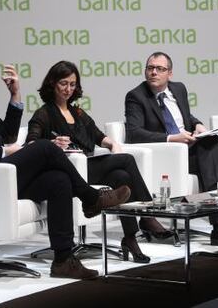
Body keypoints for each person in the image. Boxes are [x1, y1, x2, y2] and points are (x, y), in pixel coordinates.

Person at [0, 46, 132, 280]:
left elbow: (6, 135)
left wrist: (15, 96)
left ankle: (64, 260)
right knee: (44, 146)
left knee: (59, 180)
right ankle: (92, 198)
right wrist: (4, 150)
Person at [26, 61, 174, 264]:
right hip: (71, 172)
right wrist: (51, 143)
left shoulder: (77, 112)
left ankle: (130, 239)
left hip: (88, 167)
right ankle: (147, 216)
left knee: (121, 177)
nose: (68, 89)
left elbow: (98, 136)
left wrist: (112, 144)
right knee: (128, 160)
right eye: (63, 83)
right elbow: (31, 144)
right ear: (52, 83)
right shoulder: (44, 113)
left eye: (72, 84)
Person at [125, 52, 218, 248]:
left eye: (160, 69)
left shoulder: (179, 89)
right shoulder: (136, 96)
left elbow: (184, 117)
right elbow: (134, 133)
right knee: (209, 159)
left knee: (213, 142)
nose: (154, 72)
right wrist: (173, 138)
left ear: (170, 74)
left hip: (189, 149)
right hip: (166, 155)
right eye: (150, 68)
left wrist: (198, 125)